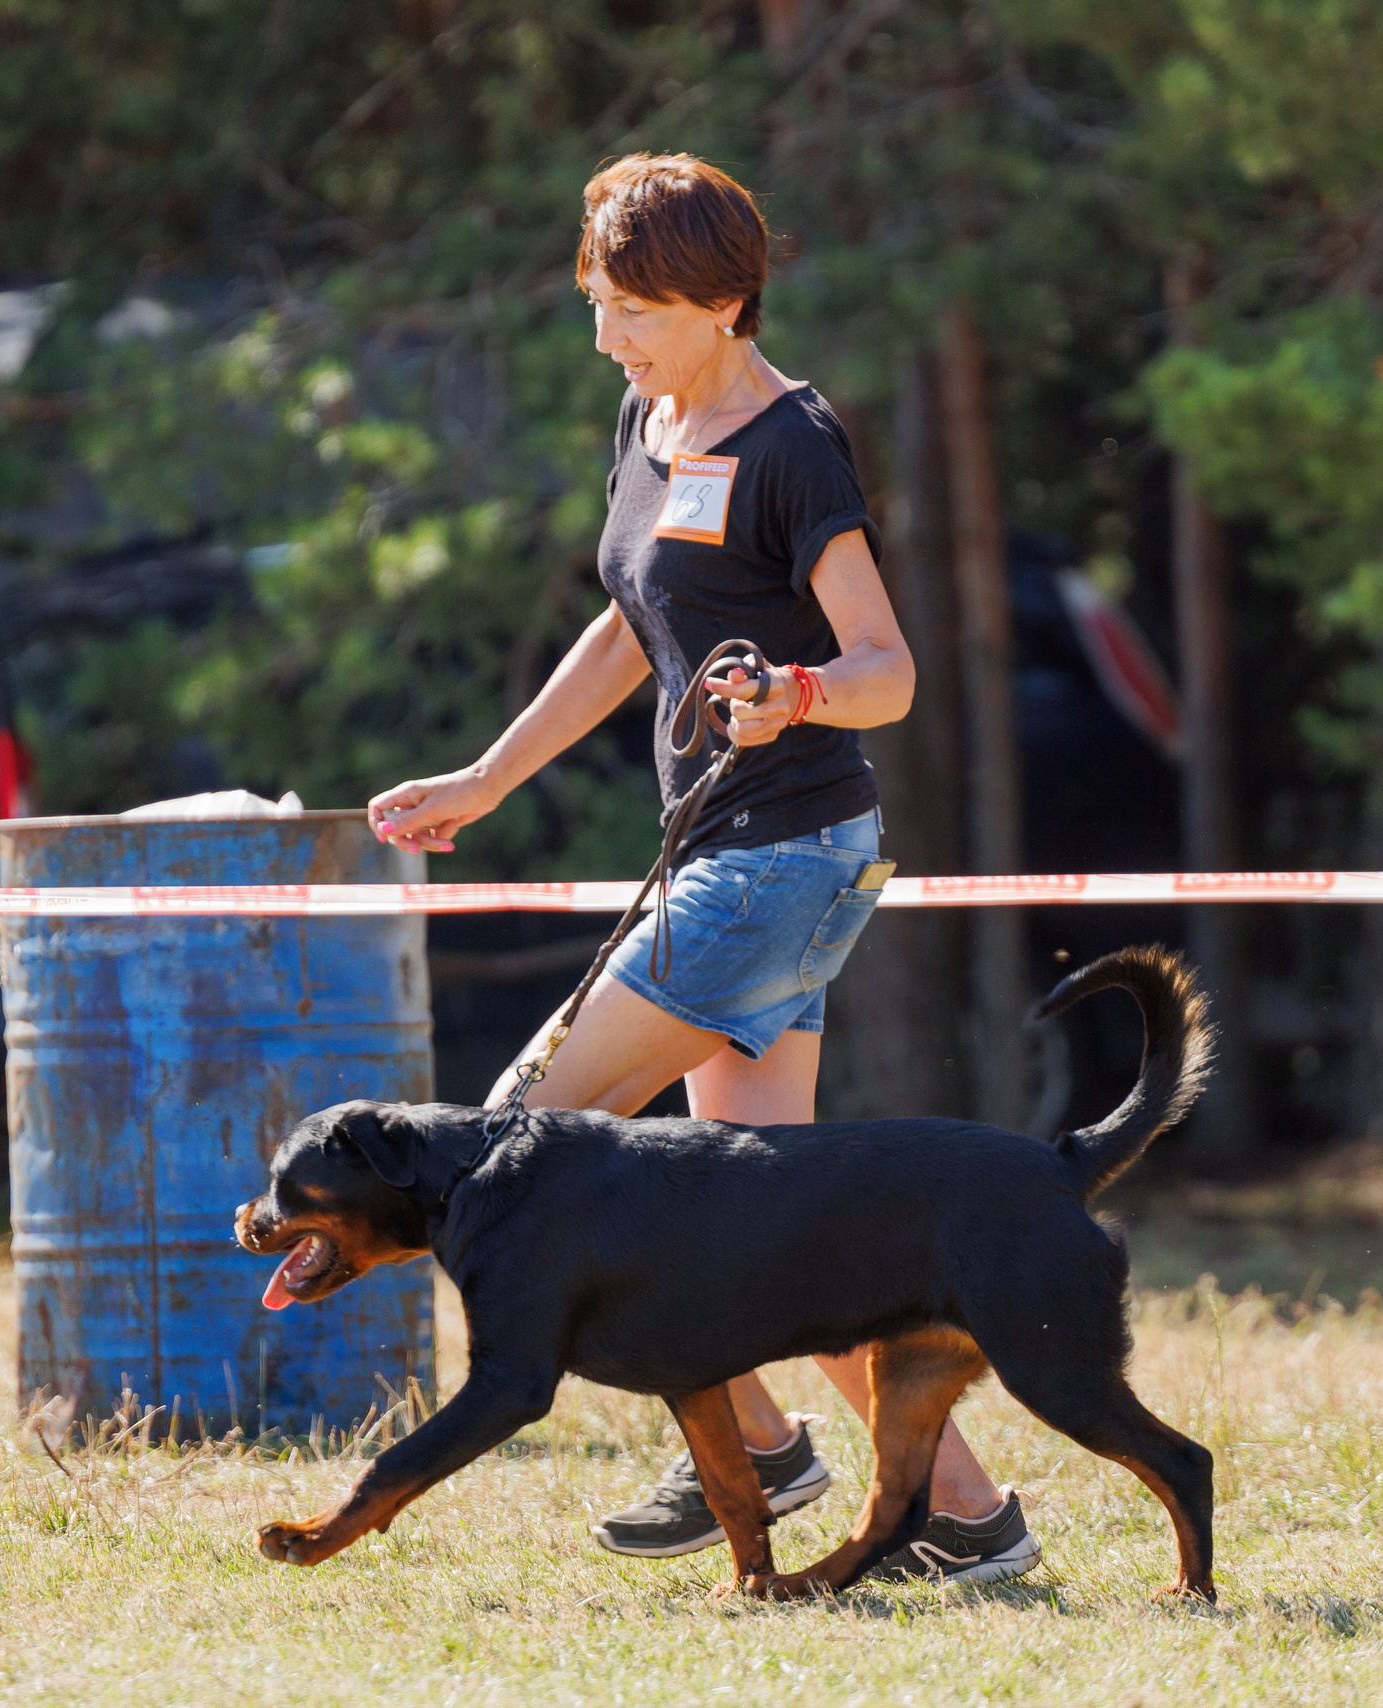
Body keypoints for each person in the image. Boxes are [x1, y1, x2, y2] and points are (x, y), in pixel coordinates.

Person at [366, 153, 1038, 1585]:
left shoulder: (794, 443)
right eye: (597, 304)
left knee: (512, 1156)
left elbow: (889, 672)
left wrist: (796, 692)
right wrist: (490, 778)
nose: (610, 338)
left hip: (780, 861)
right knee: (771, 1231)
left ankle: (773, 1452)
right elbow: (631, 624)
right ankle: (970, 1520)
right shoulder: (652, 416)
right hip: (745, 861)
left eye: (637, 312)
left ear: (725, 302)